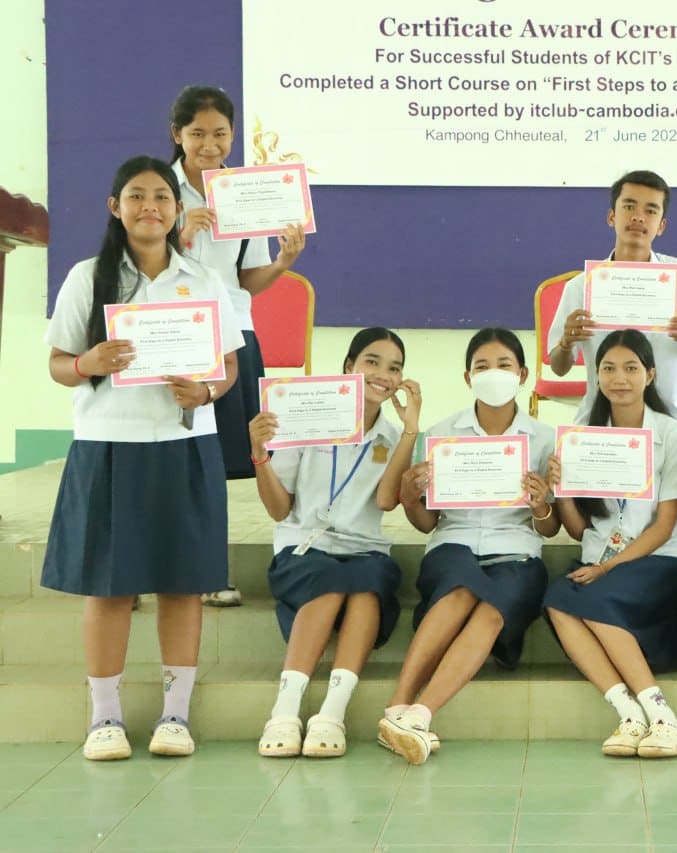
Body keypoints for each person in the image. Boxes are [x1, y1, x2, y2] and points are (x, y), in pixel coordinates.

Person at [42, 155, 244, 760]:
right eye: (136, 196)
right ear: (115, 207)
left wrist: (206, 391)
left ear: (178, 208)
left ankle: (174, 716)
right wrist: (87, 364)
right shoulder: (87, 277)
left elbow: (229, 366)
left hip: (185, 446)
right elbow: (56, 364)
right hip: (109, 446)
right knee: (109, 588)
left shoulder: (203, 281)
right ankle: (105, 719)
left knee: (183, 586)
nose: (149, 206)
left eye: (161, 195)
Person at [379, 329, 558, 765]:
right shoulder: (443, 434)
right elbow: (427, 523)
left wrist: (541, 504)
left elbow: (550, 530)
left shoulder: (545, 439)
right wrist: (409, 495)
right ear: (466, 377)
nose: (493, 374)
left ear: (523, 374)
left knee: (491, 609)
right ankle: (398, 705)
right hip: (453, 546)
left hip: (516, 552)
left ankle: (418, 714)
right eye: (482, 367)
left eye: (504, 366)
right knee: (460, 589)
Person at [169, 84, 307, 607]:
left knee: (214, 461)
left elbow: (245, 280)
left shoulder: (243, 192)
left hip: (231, 333)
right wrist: (178, 233)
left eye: (220, 133)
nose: (209, 144)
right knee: (162, 456)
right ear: (177, 135)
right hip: (173, 334)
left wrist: (283, 263)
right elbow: (134, 265)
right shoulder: (157, 189)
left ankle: (209, 570)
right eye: (198, 133)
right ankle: (142, 568)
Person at [251, 327, 419, 758]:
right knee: (328, 582)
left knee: (366, 585)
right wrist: (259, 455)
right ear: (349, 367)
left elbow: (386, 499)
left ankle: (332, 714)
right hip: (305, 547)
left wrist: (409, 430)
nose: (383, 374)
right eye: (372, 362)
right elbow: (277, 508)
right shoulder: (307, 418)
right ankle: (284, 712)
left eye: (394, 368)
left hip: (364, 550)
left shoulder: (391, 437)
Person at [542, 329, 677, 759]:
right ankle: (628, 712)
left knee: (596, 600)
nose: (619, 378)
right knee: (557, 599)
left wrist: (607, 569)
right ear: (596, 374)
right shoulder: (581, 434)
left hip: (653, 558)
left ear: (650, 374)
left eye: (630, 368)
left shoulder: (672, 434)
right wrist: (563, 490)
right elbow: (577, 529)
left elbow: (665, 525)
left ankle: (664, 717)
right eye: (608, 368)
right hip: (597, 556)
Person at [548, 170, 677, 425]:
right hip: (599, 420)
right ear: (612, 216)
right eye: (629, 206)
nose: (638, 217)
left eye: (651, 210)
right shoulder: (580, 287)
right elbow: (558, 367)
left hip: (668, 419)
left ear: (661, 225)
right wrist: (566, 343)